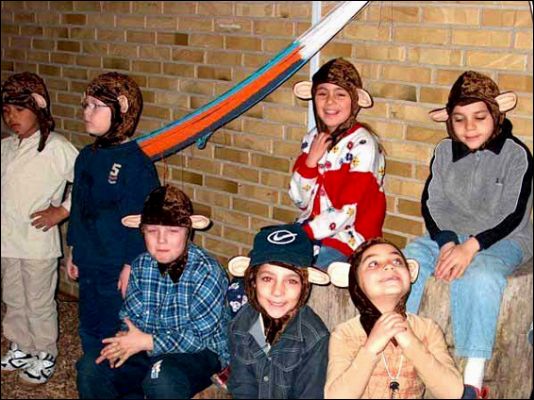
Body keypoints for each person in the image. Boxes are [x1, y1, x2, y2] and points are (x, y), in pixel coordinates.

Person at [403, 70, 533, 398]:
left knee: (481, 276)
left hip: (505, 238)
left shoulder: (516, 155)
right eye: (459, 119)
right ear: (449, 120)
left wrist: (471, 247)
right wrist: (447, 242)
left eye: (479, 117)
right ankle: (400, 341)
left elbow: (514, 213)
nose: (469, 127)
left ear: (496, 116)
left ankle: (473, 375)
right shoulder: (444, 151)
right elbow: (433, 203)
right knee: (408, 260)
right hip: (452, 235)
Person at [76, 184, 230, 399]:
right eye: (152, 230)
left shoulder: (207, 271)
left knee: (161, 379)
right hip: (146, 344)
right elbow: (130, 317)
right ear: (142, 232)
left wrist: (147, 342)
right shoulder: (141, 265)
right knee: (91, 367)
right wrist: (126, 339)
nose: (161, 240)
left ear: (188, 232)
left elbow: (199, 337)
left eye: (173, 231)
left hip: (198, 353)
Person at [66, 72, 160, 355]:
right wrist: (73, 249)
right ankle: (92, 369)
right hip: (89, 259)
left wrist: (131, 265)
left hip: (116, 265)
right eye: (86, 105)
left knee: (114, 329)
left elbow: (143, 220)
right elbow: (79, 208)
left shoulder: (136, 164)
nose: (87, 112)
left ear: (122, 109)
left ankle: (112, 374)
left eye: (97, 106)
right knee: (89, 324)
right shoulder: (86, 157)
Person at [1, 72, 78, 384]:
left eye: (20, 110)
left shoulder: (56, 147)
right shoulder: (6, 147)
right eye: (6, 111)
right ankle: (20, 345)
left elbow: (86, 183)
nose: (12, 117)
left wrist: (62, 210)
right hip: (8, 241)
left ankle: (44, 351)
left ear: (38, 108)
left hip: (37, 243)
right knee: (13, 296)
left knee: (38, 300)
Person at [326, 238, 464, 399]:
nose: (389, 266)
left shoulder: (427, 329)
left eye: (397, 261)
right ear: (356, 281)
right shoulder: (345, 334)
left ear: (410, 274)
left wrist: (410, 342)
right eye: (373, 264)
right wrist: (370, 349)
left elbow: (453, 393)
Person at [290, 57, 386, 272]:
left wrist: (305, 233)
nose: (330, 102)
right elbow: (300, 200)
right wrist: (310, 162)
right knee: (268, 260)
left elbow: (348, 211)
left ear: (355, 100)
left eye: (340, 94)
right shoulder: (313, 138)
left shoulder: (364, 144)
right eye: (322, 93)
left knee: (303, 274)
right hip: (311, 232)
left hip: (350, 238)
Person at [227, 223, 330, 399]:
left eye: (291, 281)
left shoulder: (314, 338)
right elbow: (242, 388)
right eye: (267, 278)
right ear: (253, 281)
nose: (277, 291)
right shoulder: (241, 324)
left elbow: (310, 394)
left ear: (304, 286)